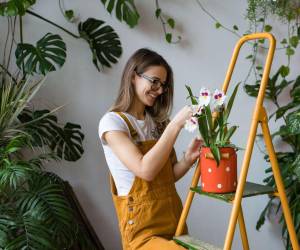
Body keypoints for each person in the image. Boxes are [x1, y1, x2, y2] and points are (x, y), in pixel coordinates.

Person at [98, 48, 203, 250]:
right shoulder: (112, 123)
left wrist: (187, 160)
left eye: (163, 85)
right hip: (142, 232)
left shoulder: (156, 124)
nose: (160, 90)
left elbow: (166, 178)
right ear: (133, 77)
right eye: (154, 81)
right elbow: (145, 170)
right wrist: (176, 125)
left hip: (172, 220)